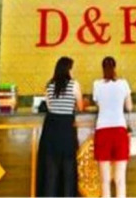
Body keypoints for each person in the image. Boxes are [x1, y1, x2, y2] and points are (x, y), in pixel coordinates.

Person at [36, 57, 83, 197]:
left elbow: (49, 106)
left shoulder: (49, 85)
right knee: (68, 171)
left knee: (51, 172)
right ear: (68, 70)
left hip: (50, 130)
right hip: (66, 130)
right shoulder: (74, 85)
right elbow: (80, 107)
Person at [93, 56, 132, 198]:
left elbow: (98, 105)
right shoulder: (123, 84)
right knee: (120, 180)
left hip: (102, 131)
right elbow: (129, 107)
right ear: (115, 67)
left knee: (105, 180)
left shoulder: (97, 84)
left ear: (102, 68)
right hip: (119, 131)